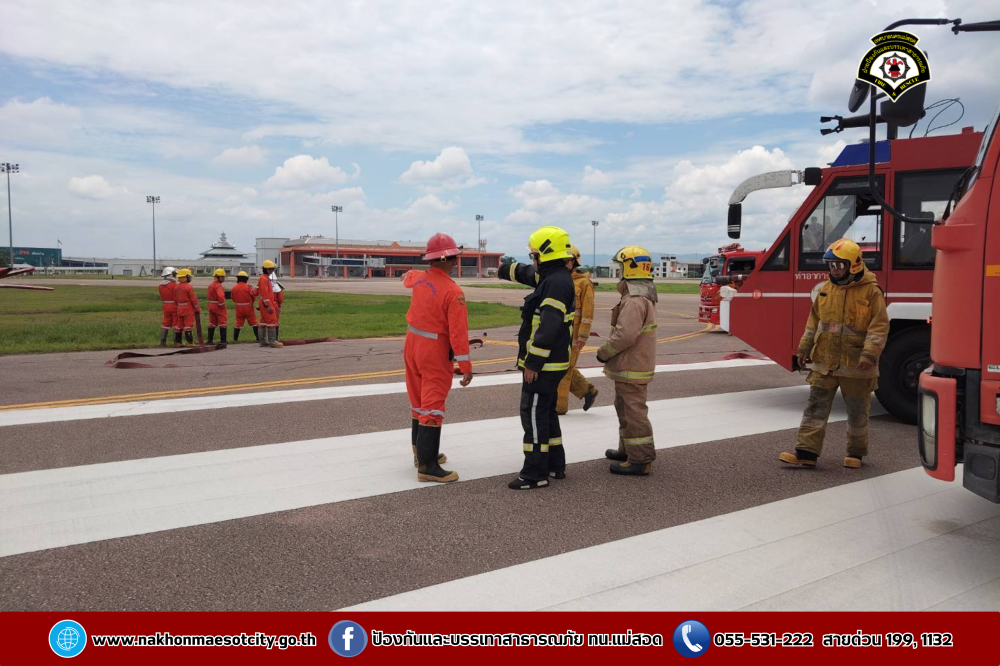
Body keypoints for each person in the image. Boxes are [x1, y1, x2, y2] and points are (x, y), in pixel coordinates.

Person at [779, 238, 889, 469]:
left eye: (839, 265)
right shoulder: (826, 290)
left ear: (854, 265)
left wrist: (869, 354)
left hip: (856, 365)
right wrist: (803, 348)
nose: (834, 270)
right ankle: (806, 453)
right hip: (824, 362)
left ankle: (855, 454)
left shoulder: (871, 291)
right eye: (831, 265)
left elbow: (879, 326)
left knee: (857, 412)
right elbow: (813, 323)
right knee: (815, 408)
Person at [499, 226, 576, 490]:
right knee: (546, 413)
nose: (533, 260)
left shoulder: (554, 283)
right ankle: (555, 465)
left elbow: (548, 327)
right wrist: (503, 269)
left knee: (533, 415)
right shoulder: (556, 276)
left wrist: (533, 363)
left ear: (543, 255)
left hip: (544, 365)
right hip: (554, 363)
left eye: (534, 255)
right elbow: (528, 273)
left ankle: (534, 474)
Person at [402, 233, 474, 483]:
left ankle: (420, 454)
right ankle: (427, 466)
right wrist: (465, 365)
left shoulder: (418, 279)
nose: (455, 262)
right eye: (453, 258)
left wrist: (409, 275)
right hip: (434, 351)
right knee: (432, 406)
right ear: (446, 259)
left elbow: (408, 277)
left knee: (418, 401)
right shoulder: (454, 292)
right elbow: (458, 334)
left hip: (412, 345)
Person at [597, 246, 658, 476]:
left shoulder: (634, 299)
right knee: (624, 409)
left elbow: (625, 335)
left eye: (621, 266)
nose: (618, 271)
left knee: (633, 413)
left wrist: (604, 352)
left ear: (630, 268)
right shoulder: (641, 295)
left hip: (631, 365)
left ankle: (640, 460)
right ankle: (628, 451)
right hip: (631, 365)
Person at [556, 246, 599, 415]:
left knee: (564, 371)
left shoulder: (584, 283)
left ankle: (559, 407)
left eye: (565, 260)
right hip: (557, 334)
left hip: (573, 338)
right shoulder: (558, 280)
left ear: (573, 262)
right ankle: (587, 391)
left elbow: (588, 313)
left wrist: (583, 335)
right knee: (559, 367)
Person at [173, 268, 200, 347]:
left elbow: (175, 299)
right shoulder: (189, 287)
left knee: (179, 325)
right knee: (188, 325)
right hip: (188, 308)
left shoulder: (176, 287)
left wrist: (176, 308)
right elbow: (194, 299)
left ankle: (178, 342)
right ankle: (189, 342)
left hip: (179, 308)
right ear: (186, 277)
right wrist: (197, 308)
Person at [257, 260, 282, 348]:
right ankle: (272, 341)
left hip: (264, 302)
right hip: (266, 303)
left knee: (263, 321)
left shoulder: (264, 278)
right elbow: (264, 293)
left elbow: (259, 291)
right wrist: (269, 305)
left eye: (272, 269)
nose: (272, 271)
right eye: (271, 269)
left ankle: (263, 341)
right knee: (272, 321)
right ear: (267, 269)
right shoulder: (264, 279)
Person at [231, 271, 259, 343]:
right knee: (254, 322)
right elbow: (253, 295)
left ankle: (235, 339)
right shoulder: (248, 287)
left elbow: (233, 298)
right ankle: (258, 338)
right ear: (246, 279)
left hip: (239, 307)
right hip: (248, 308)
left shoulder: (234, 288)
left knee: (238, 323)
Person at [206, 268, 229, 346]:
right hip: (218, 305)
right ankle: (223, 341)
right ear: (218, 277)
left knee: (212, 323)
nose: (223, 278)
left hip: (211, 305)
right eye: (222, 277)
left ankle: (210, 340)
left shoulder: (210, 285)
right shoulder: (218, 286)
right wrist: (222, 305)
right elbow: (221, 296)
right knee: (222, 322)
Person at [157, 266, 178, 347]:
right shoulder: (174, 285)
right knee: (176, 323)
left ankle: (162, 342)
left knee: (165, 323)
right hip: (174, 305)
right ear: (171, 274)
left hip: (165, 305)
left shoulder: (160, 285)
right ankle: (176, 341)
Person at [271, 272, 285, 341]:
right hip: (275, 305)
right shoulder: (277, 288)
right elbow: (280, 299)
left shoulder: (264, 285)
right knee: (275, 321)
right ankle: (275, 338)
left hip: (265, 305)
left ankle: (263, 339)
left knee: (264, 321)